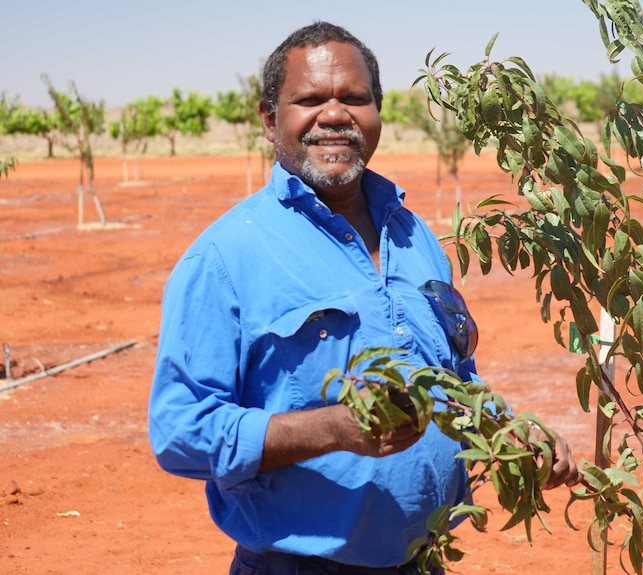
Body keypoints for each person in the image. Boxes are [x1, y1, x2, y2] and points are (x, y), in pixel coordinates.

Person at [148, 21, 580, 575]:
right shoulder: (226, 258)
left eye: (354, 98)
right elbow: (181, 433)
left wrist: (507, 429)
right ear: (268, 119)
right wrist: (334, 429)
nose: (334, 114)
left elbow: (451, 378)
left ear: (378, 112)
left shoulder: (414, 235)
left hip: (425, 560)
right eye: (309, 99)